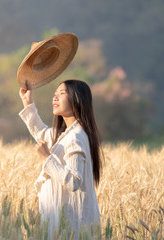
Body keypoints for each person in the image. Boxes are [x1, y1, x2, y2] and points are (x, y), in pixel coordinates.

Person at [19, 79, 103, 239]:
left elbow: (73, 181)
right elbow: (42, 133)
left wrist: (47, 158)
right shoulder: (67, 134)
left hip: (71, 228)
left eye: (61, 94)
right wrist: (28, 103)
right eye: (55, 94)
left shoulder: (75, 137)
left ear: (77, 99)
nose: (55, 98)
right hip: (64, 226)